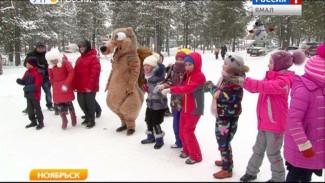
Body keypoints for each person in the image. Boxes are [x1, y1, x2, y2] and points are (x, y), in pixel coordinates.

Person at [226, 50, 305, 182]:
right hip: (264, 122)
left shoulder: (284, 81)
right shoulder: (271, 77)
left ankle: (278, 179)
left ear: (280, 65)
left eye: (271, 62)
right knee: (258, 149)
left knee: (273, 153)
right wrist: (241, 78)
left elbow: (264, 86)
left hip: (275, 124)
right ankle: (251, 172)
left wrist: (242, 81)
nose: (268, 65)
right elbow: (256, 87)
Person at [283, 43, 325, 182]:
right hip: (302, 147)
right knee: (296, 175)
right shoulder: (304, 90)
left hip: (317, 146)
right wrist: (304, 144)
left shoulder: (322, 89)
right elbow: (293, 120)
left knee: (307, 176)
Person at [203, 54, 249, 179]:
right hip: (223, 113)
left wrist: (211, 87)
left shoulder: (234, 80)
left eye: (226, 63)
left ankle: (227, 168)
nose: (223, 65)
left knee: (224, 141)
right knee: (222, 139)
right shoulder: (227, 76)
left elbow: (223, 96)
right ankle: (226, 160)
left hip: (228, 115)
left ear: (233, 66)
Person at [160, 52, 206, 164]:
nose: (187, 67)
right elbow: (180, 85)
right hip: (185, 107)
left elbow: (187, 88)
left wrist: (170, 90)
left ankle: (196, 156)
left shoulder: (200, 76)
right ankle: (186, 150)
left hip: (194, 109)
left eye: (190, 64)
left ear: (197, 63)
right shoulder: (187, 75)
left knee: (188, 131)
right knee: (182, 131)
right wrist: (166, 86)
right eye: (186, 65)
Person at [155, 48, 191, 148]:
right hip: (175, 100)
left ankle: (186, 144)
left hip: (186, 101)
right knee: (176, 121)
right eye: (178, 59)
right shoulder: (173, 69)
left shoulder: (189, 70)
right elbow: (170, 81)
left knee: (185, 123)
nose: (179, 61)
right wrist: (164, 85)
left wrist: (170, 89)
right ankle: (178, 141)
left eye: (182, 59)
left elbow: (186, 86)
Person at [140, 53, 168, 149]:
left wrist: (154, 90)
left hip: (159, 103)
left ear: (153, 66)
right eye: (144, 65)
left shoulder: (159, 78)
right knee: (148, 120)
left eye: (148, 65)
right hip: (150, 103)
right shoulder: (147, 76)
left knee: (155, 122)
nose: (146, 67)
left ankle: (160, 140)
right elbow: (150, 88)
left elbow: (162, 91)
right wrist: (146, 88)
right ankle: (150, 137)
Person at [46, 49, 77, 129]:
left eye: (55, 59)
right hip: (56, 87)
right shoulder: (50, 67)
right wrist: (53, 84)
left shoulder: (64, 63)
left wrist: (67, 83)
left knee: (68, 102)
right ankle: (64, 119)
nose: (54, 61)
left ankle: (73, 116)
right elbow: (51, 77)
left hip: (65, 85)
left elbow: (71, 72)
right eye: (52, 60)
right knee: (59, 104)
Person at [74, 40, 101, 129]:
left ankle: (91, 119)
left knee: (90, 103)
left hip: (90, 86)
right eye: (80, 47)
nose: (81, 49)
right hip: (80, 86)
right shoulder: (79, 59)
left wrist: (90, 86)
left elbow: (95, 73)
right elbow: (75, 73)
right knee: (81, 102)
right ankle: (87, 116)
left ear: (87, 47)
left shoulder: (93, 58)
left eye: (83, 47)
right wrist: (74, 85)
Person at [23, 42, 54, 113]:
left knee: (48, 91)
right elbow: (26, 63)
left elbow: (51, 64)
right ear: (36, 48)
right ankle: (30, 107)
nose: (41, 49)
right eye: (39, 48)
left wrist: (45, 69)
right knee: (32, 92)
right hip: (33, 76)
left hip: (45, 76)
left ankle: (50, 105)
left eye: (42, 48)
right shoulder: (31, 54)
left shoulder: (47, 55)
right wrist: (36, 66)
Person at [16, 57, 44, 130]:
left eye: (27, 63)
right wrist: (20, 82)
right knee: (30, 109)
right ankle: (33, 121)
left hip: (35, 94)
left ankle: (40, 122)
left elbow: (37, 85)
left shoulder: (38, 72)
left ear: (31, 64)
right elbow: (24, 81)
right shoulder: (27, 72)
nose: (26, 64)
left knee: (37, 108)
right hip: (28, 94)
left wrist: (27, 88)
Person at [158, 52, 172, 117]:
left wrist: (169, 67)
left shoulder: (162, 66)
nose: (159, 60)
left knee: (163, 97)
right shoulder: (154, 66)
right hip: (156, 84)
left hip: (163, 84)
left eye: (161, 58)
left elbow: (166, 71)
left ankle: (166, 110)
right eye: (158, 58)